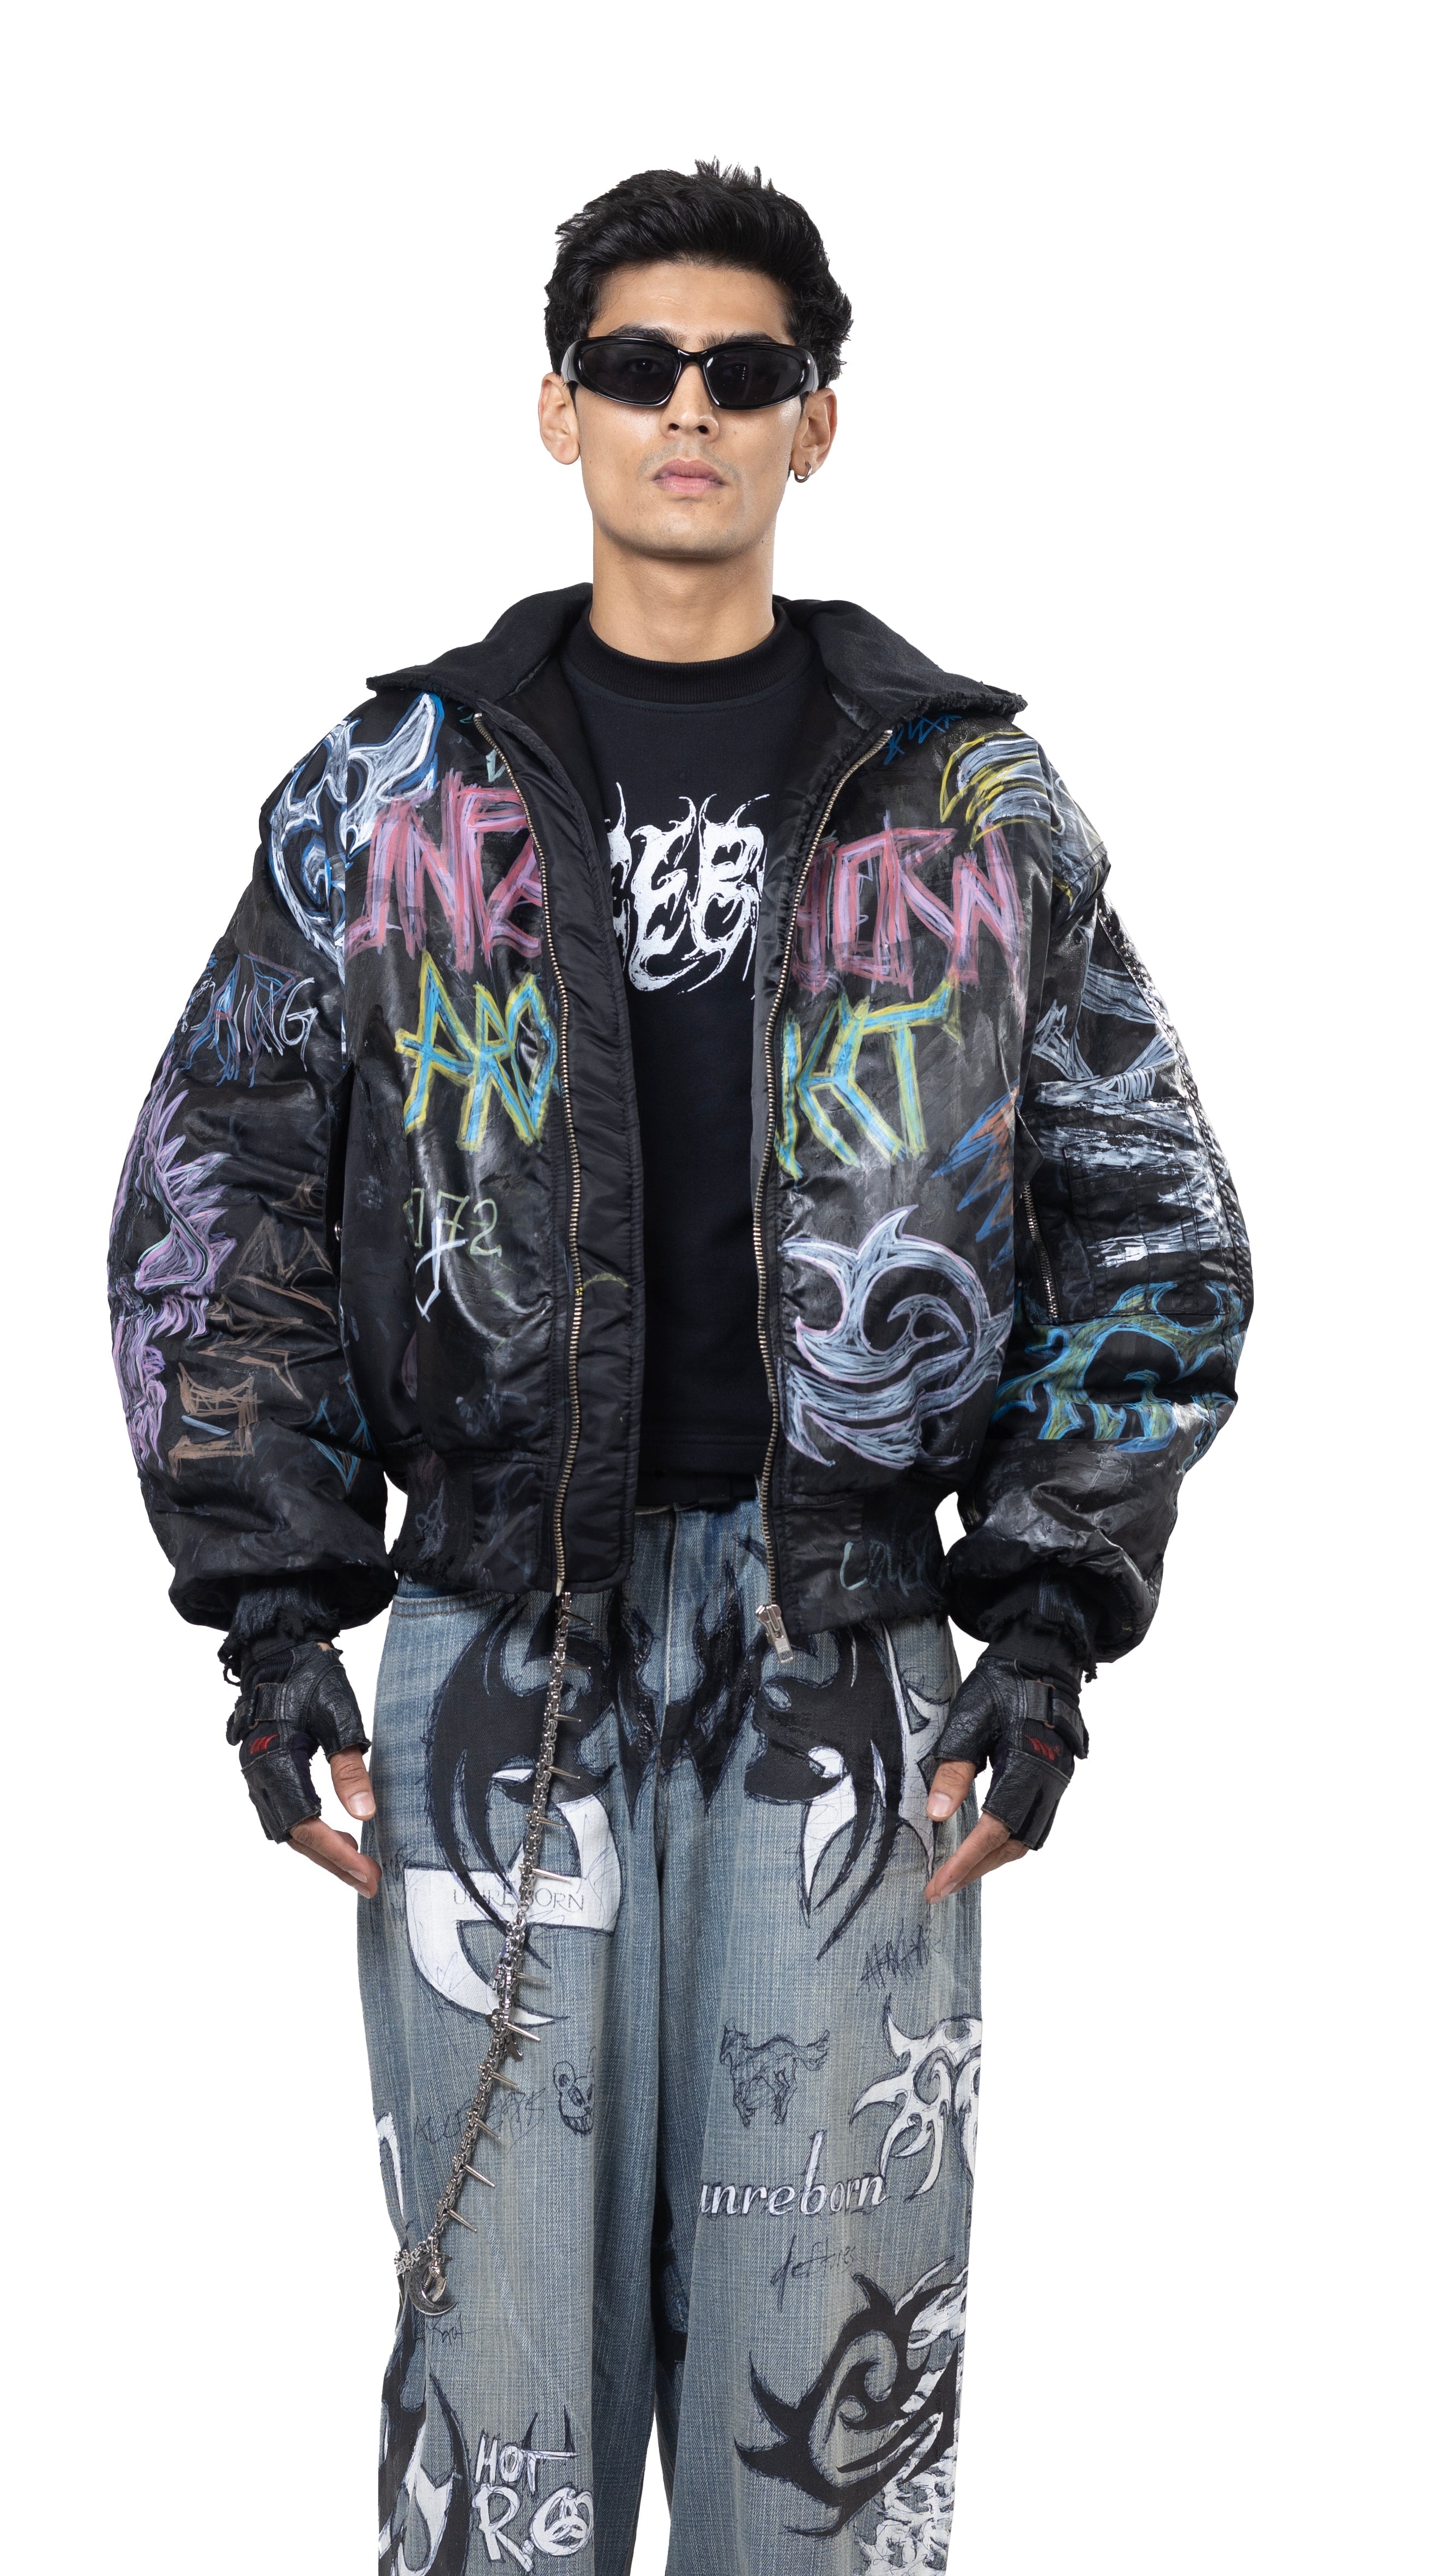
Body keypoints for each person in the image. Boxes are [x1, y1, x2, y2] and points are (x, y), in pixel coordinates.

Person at [108, 161, 1251, 2576]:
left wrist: (1044, 1627)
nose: (689, 409)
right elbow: (221, 1199)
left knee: (820, 2405)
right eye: (638, 366)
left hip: (840, 1652)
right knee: (495, 2399)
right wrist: (272, 1621)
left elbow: (1148, 1221)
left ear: (818, 418)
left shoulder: (967, 799)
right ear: (560, 409)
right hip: (486, 1642)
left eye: (746, 369)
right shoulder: (391, 790)